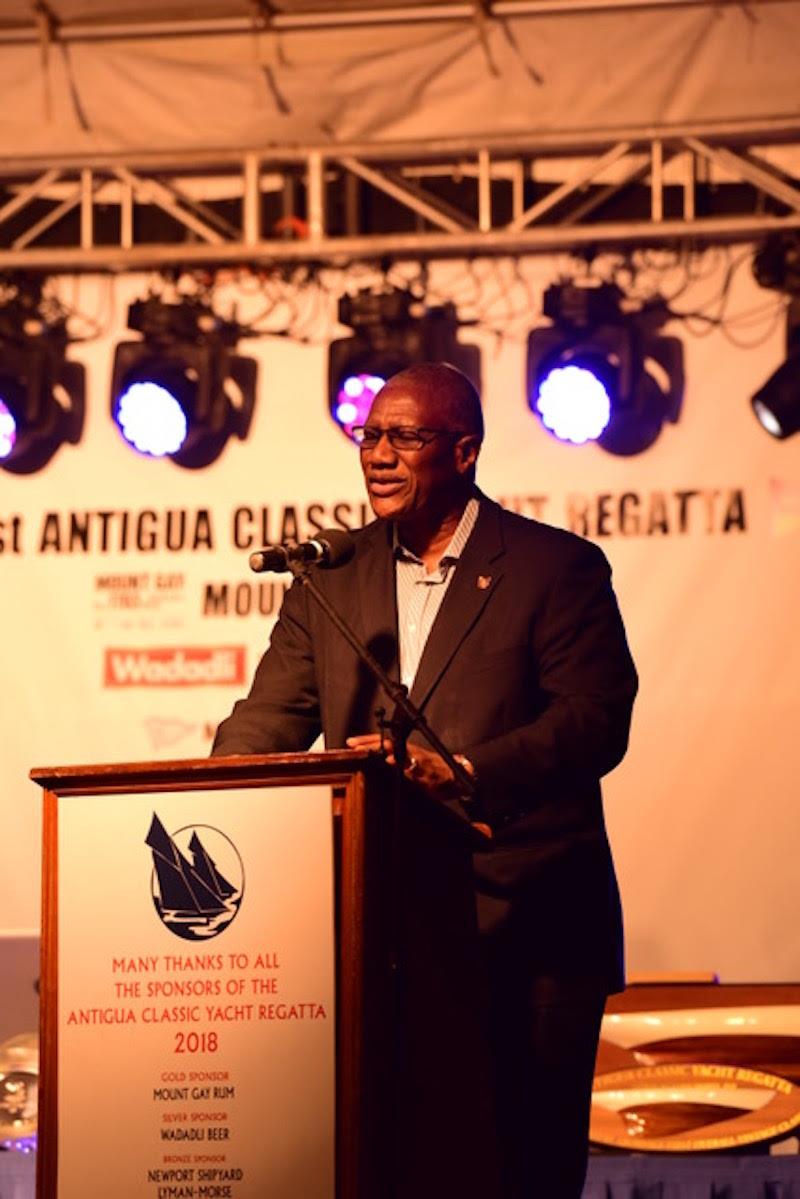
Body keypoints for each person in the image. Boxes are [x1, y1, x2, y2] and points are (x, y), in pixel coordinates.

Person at [212, 362, 638, 1198]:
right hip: (387, 942)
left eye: (403, 436)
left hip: (531, 930)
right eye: (369, 435)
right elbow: (267, 720)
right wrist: (200, 802)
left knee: (520, 1172)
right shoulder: (330, 577)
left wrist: (466, 772)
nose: (377, 453)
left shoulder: (555, 568)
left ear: (465, 449)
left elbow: (595, 718)